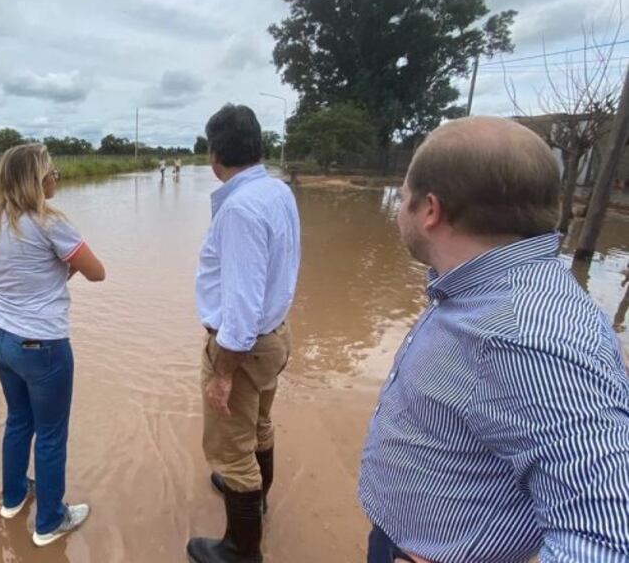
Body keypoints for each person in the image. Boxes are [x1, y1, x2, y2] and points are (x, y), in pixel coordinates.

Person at [359, 117, 629, 563]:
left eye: (403, 197)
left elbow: (609, 539)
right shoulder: (481, 291)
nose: (399, 209)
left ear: (430, 209)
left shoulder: (529, 338)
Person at [187, 104, 301, 563]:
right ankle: (258, 500)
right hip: (275, 336)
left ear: (215, 154)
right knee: (258, 425)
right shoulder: (277, 191)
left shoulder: (238, 209)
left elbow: (240, 308)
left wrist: (222, 372)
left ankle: (241, 550)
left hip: (244, 347)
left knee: (232, 451)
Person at [0, 143, 105, 547]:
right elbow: (97, 272)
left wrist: (45, 277)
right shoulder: (51, 223)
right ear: (37, 178)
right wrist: (59, 271)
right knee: (50, 434)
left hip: (0, 338)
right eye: (52, 171)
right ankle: (49, 521)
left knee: (18, 421)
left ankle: (13, 498)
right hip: (42, 344)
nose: (56, 178)